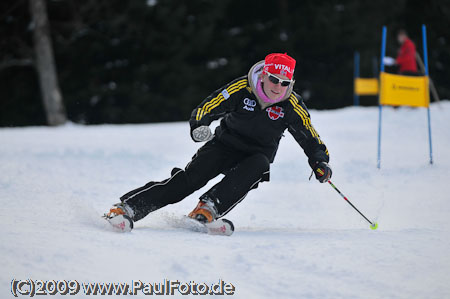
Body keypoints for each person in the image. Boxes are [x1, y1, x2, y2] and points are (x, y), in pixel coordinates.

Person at [106, 53, 332, 224]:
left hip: (256, 155)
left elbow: (309, 135)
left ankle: (207, 209)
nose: (278, 87)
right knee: (187, 182)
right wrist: (199, 126)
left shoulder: (291, 104)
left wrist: (319, 160)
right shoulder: (242, 88)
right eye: (274, 79)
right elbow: (209, 106)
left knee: (259, 165)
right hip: (224, 145)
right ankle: (127, 208)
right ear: (264, 75)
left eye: (285, 83)